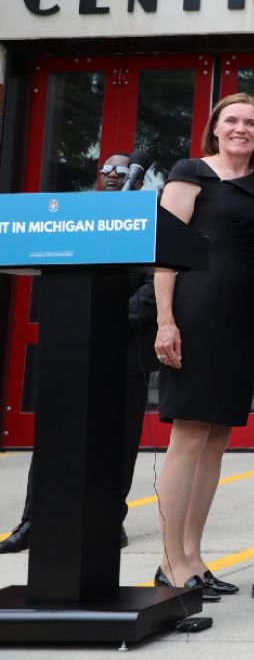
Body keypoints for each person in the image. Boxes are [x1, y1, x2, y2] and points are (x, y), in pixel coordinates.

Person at [0, 153, 156, 556]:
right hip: (75, 344)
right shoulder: (73, 218)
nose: (113, 175)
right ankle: (35, 520)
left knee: (117, 441)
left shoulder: (152, 221)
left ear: (137, 180)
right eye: (107, 169)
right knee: (56, 436)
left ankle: (108, 520)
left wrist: (107, 318)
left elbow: (155, 288)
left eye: (123, 171)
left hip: (125, 347)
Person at [152, 94, 254, 602]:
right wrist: (165, 319)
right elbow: (164, 251)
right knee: (188, 435)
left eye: (250, 123)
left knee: (217, 438)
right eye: (232, 121)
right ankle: (169, 562)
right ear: (215, 128)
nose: (241, 128)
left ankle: (194, 557)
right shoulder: (189, 172)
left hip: (242, 319)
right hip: (195, 312)